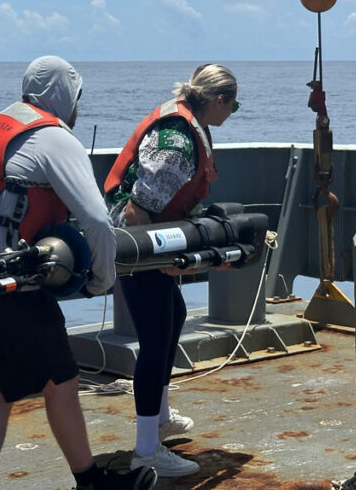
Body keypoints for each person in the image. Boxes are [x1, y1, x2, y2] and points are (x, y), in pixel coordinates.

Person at [0, 55, 157, 490]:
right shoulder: (54, 139)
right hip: (9, 284)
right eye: (76, 97)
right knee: (62, 379)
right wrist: (103, 277)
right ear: (64, 94)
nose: (77, 107)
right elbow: (97, 221)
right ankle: (90, 481)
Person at [103, 63, 239, 478]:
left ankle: (160, 417)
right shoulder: (178, 141)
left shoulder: (187, 121)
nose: (231, 115)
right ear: (218, 101)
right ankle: (146, 451)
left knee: (174, 317)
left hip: (148, 239)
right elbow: (137, 210)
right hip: (135, 241)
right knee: (156, 335)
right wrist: (158, 262)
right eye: (233, 107)